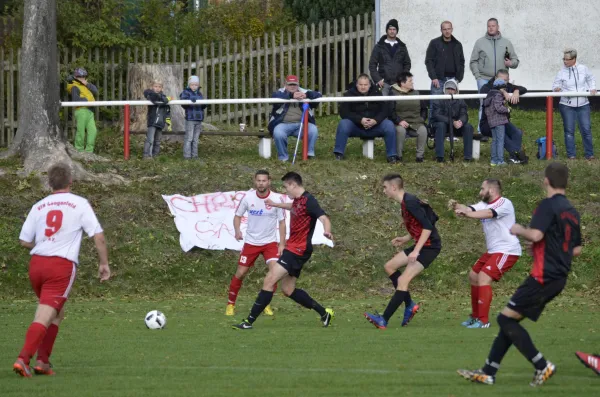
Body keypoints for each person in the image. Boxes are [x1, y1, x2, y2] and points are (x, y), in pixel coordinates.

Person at [458, 162, 582, 387]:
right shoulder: (572, 211)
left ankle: (542, 365)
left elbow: (534, 235)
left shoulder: (547, 205)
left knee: (505, 319)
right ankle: (488, 372)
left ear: (546, 181)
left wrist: (519, 230)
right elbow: (576, 249)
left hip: (544, 275)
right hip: (559, 277)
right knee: (509, 320)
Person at [13, 163, 110, 377]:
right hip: (59, 267)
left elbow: (23, 240)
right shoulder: (79, 203)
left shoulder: (39, 206)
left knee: (56, 312)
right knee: (44, 315)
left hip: (36, 265)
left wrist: (44, 244)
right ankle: (23, 358)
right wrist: (104, 263)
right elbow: (98, 236)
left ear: (50, 183)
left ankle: (43, 361)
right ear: (70, 182)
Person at [232, 172, 334, 330]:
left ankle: (248, 321)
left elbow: (324, 217)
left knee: (269, 279)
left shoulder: (309, 201)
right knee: (288, 290)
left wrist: (327, 231)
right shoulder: (299, 200)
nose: (285, 191)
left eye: (286, 187)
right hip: (294, 248)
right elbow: (292, 207)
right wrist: (275, 204)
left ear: (294, 185)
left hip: (298, 250)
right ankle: (323, 313)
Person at [364, 174, 441, 329]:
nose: (384, 191)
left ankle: (383, 319)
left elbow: (428, 226)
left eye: (385, 187)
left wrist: (416, 251)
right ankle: (409, 304)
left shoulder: (410, 202)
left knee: (402, 281)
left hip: (429, 247)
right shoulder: (406, 202)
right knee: (390, 266)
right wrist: (406, 238)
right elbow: (425, 222)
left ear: (394, 187)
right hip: (422, 244)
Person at [450, 179, 521, 329]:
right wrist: (457, 206)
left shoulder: (504, 203)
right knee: (473, 276)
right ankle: (475, 317)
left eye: (482, 189)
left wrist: (467, 214)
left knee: (483, 277)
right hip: (494, 251)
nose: (480, 192)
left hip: (507, 250)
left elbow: (489, 213)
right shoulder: (484, 204)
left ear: (492, 191)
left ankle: (483, 321)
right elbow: (470, 209)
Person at [226, 170, 286, 316]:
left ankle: (266, 304)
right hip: (251, 242)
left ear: (269, 181)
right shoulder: (248, 197)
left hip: (270, 243)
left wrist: (282, 244)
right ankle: (230, 304)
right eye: (258, 180)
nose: (261, 183)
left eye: (264, 181)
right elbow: (237, 216)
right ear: (255, 181)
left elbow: (282, 222)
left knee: (274, 273)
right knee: (241, 273)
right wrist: (237, 230)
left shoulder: (276, 199)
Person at [334, 74, 399, 163]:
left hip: (375, 126)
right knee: (343, 124)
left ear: (370, 85)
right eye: (361, 85)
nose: (363, 87)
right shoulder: (349, 94)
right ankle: (338, 154)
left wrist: (375, 120)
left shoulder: (377, 93)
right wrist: (360, 120)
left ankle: (392, 156)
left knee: (389, 125)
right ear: (357, 84)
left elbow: (385, 110)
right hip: (356, 126)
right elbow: (344, 112)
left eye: (365, 85)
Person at [470, 18, 519, 133]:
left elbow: (515, 60)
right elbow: (473, 61)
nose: (491, 28)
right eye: (489, 26)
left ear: (498, 27)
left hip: (501, 81)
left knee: (500, 103)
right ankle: (482, 130)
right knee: (484, 103)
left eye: (493, 26)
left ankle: (499, 127)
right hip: (484, 79)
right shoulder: (480, 42)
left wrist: (510, 63)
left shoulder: (506, 42)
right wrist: (478, 76)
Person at [552, 48, 597, 160]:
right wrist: (556, 89)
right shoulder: (561, 72)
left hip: (583, 105)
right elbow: (555, 85)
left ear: (574, 59)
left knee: (586, 129)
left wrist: (592, 88)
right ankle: (571, 155)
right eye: (564, 59)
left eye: (567, 59)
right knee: (569, 131)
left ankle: (589, 154)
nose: (565, 61)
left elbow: (591, 79)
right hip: (566, 106)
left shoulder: (583, 69)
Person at [480, 69, 529, 164]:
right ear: (495, 79)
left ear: (508, 79)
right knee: (503, 137)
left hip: (502, 121)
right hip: (488, 123)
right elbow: (486, 93)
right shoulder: (487, 87)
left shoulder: (507, 86)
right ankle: (517, 155)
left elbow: (524, 88)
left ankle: (513, 157)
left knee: (517, 133)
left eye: (506, 80)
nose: (503, 83)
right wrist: (503, 92)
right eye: (501, 80)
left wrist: (516, 91)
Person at [268, 75, 322, 161]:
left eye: (294, 84)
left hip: (302, 124)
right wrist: (292, 95)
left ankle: (309, 154)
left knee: (313, 129)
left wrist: (306, 95)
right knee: (278, 133)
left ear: (298, 85)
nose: (292, 86)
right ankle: (283, 157)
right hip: (283, 124)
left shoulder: (303, 91)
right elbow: (274, 96)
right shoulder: (279, 92)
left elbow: (318, 95)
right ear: (285, 84)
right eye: (290, 84)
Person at [425, 21, 465, 118]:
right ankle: (432, 129)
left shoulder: (457, 44)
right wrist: (433, 77)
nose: (447, 31)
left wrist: (458, 78)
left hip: (453, 79)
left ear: (452, 29)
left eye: (449, 29)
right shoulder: (434, 43)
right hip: (438, 80)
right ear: (441, 30)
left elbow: (461, 62)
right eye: (444, 29)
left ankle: (449, 129)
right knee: (435, 105)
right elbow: (428, 61)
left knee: (452, 106)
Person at [431, 79, 474, 162]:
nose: (450, 91)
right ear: (444, 89)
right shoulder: (438, 99)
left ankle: (468, 157)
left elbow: (464, 114)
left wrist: (460, 122)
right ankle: (440, 156)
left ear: (456, 90)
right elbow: (437, 115)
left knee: (468, 127)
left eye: (452, 89)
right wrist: (452, 122)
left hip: (456, 126)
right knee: (441, 125)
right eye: (448, 88)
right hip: (443, 126)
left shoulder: (460, 100)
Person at [389, 72, 427, 162]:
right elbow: (390, 111)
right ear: (402, 83)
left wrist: (421, 119)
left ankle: (420, 157)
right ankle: (398, 156)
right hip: (400, 122)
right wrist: (399, 121)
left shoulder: (417, 93)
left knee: (423, 130)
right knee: (400, 131)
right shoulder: (393, 94)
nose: (412, 83)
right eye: (410, 81)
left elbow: (424, 109)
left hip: (416, 121)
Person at [369, 19, 411, 96]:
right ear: (387, 31)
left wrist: (403, 78)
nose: (392, 31)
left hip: (398, 84)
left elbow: (407, 64)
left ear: (397, 31)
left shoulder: (402, 47)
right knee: (383, 104)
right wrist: (378, 79)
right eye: (390, 29)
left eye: (394, 29)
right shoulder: (379, 47)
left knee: (397, 105)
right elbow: (372, 65)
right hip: (384, 83)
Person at [66, 68, 99, 153]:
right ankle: (79, 150)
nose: (82, 78)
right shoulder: (74, 87)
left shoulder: (86, 85)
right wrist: (87, 100)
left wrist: (87, 84)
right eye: (80, 76)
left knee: (93, 131)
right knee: (81, 131)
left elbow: (95, 91)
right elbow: (75, 100)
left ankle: (89, 152)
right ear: (75, 77)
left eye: (84, 76)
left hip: (90, 111)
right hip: (81, 110)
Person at [483, 79, 511, 166]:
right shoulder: (498, 95)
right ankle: (500, 161)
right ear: (501, 88)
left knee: (494, 140)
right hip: (499, 121)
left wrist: (502, 102)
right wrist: (507, 109)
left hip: (491, 122)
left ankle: (493, 160)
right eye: (504, 89)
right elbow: (498, 108)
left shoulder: (489, 95)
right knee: (500, 141)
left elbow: (494, 105)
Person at [179, 75, 207, 160]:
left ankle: (195, 156)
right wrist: (191, 99)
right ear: (189, 85)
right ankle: (187, 156)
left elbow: (202, 106)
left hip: (198, 119)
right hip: (190, 119)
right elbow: (183, 102)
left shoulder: (199, 93)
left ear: (198, 85)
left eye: (196, 84)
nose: (194, 86)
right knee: (189, 138)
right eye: (192, 84)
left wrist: (204, 104)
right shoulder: (185, 92)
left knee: (195, 139)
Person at [143, 80, 171, 159]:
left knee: (158, 141)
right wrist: (165, 99)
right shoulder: (150, 95)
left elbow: (167, 111)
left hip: (160, 122)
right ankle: (147, 156)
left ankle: (156, 156)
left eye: (159, 87)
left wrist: (168, 122)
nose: (157, 88)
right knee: (150, 139)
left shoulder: (165, 97)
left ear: (162, 88)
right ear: (152, 87)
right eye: (155, 86)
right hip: (152, 121)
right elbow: (154, 98)